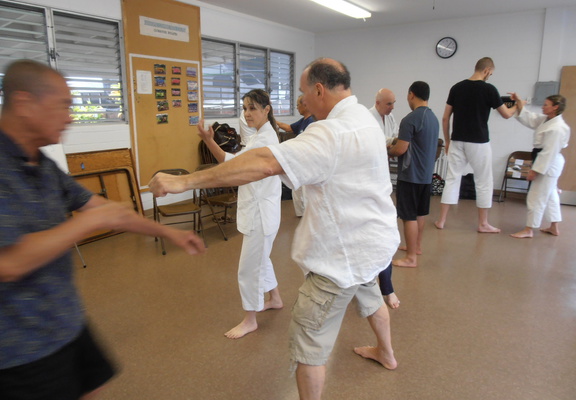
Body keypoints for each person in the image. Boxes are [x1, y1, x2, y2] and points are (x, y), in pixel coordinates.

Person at [149, 58, 400, 400]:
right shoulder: (366, 120)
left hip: (344, 256)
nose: (302, 101)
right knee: (371, 297)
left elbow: (264, 163)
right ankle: (385, 352)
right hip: (373, 243)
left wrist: (184, 182)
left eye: (302, 93)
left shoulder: (331, 131)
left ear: (319, 89)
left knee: (308, 342)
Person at [0, 59, 205, 400]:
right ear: (24, 103)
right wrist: (85, 223)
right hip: (21, 349)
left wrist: (168, 232)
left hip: (67, 322)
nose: (69, 117)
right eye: (63, 105)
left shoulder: (41, 164)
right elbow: (8, 264)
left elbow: (107, 213)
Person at [197, 88, 283, 339]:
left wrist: (208, 143)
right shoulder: (259, 137)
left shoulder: (266, 140)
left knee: (248, 267)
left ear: (266, 110)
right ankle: (275, 298)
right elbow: (231, 160)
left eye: (252, 108)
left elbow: (231, 165)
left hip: (261, 213)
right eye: (244, 108)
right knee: (261, 258)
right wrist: (208, 140)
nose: (247, 113)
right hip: (258, 210)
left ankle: (250, 319)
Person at [434, 57, 518, 232]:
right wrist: (518, 105)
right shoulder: (489, 89)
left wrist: (448, 142)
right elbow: (507, 114)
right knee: (484, 181)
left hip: (457, 141)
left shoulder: (457, 87)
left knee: (452, 179)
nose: (490, 76)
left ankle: (441, 220)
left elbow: (445, 117)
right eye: (491, 73)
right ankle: (483, 223)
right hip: (479, 142)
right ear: (486, 70)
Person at [388, 82, 439, 268]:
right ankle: (416, 247)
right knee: (419, 213)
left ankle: (410, 258)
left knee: (408, 216)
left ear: (411, 95)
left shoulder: (410, 119)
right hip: (426, 175)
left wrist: (389, 151)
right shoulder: (433, 118)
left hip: (410, 175)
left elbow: (401, 148)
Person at [507, 94, 570, 238]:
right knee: (551, 195)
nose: (543, 106)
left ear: (555, 107)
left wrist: (535, 170)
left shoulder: (557, 128)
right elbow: (530, 118)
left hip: (548, 163)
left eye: (546, 104)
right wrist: (518, 102)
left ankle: (529, 229)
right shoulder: (547, 120)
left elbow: (549, 152)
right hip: (548, 161)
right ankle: (554, 227)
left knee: (536, 196)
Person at [369, 88, 400, 308]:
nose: (392, 107)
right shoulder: (367, 119)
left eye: (393, 103)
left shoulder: (390, 118)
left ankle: (387, 288)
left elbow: (395, 139)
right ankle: (378, 288)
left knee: (384, 238)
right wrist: (388, 143)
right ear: (378, 102)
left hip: (381, 184)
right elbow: (380, 143)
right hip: (368, 184)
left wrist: (390, 143)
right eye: (389, 104)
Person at [277, 95, 315, 217]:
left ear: (305, 105)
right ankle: (301, 214)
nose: (297, 107)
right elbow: (288, 128)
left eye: (298, 105)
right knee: (296, 189)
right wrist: (272, 120)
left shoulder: (313, 121)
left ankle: (308, 215)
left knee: (305, 190)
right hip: (299, 159)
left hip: (308, 160)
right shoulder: (303, 120)